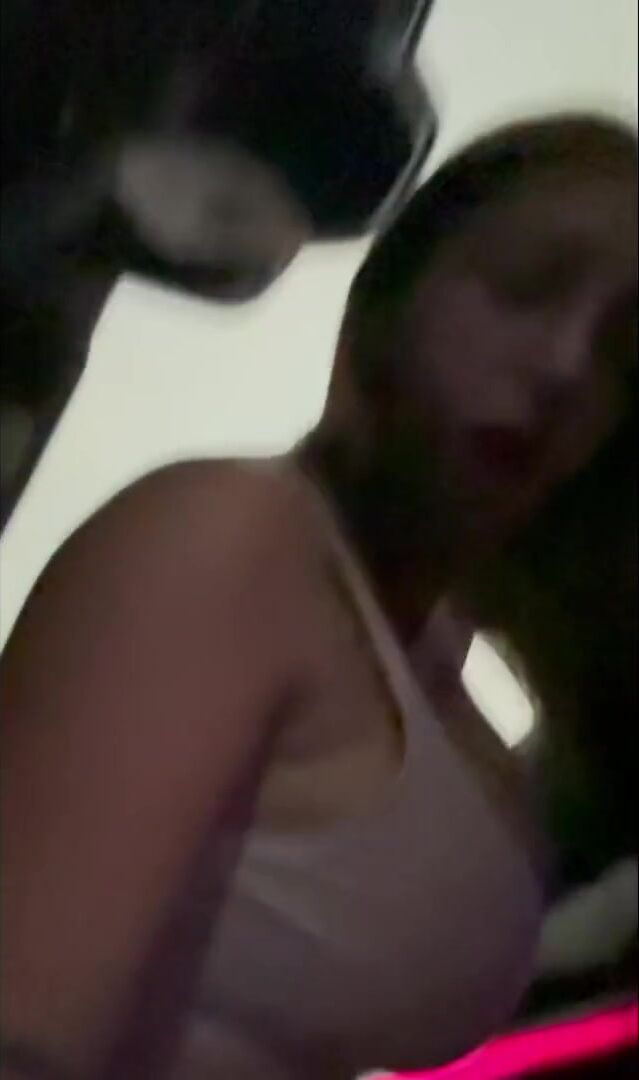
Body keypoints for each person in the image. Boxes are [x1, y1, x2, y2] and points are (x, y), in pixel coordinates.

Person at [1, 114, 636, 1080]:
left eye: (623, 355)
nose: (564, 367)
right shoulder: (233, 536)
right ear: (389, 296)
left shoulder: (448, 669)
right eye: (524, 287)